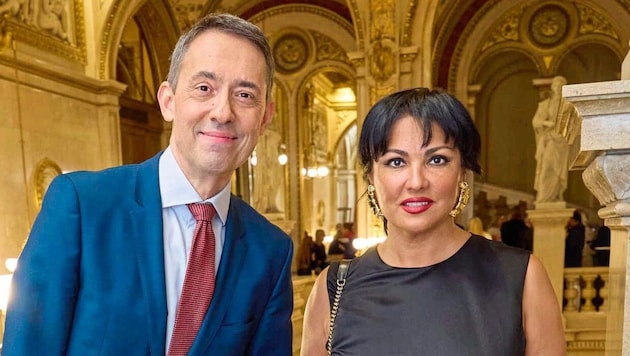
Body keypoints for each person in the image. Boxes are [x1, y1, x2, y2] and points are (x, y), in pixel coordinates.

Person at [3, 13, 294, 355]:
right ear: (168, 101)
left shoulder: (270, 252)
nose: (222, 111)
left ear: (265, 118)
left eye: (245, 95)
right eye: (204, 88)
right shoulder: (82, 206)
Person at [301, 88, 565, 355]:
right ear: (371, 177)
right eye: (395, 162)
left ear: (463, 171)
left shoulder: (521, 277)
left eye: (436, 160)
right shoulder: (334, 288)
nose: (416, 182)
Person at [532, 75, 570, 203]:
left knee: (560, 171)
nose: (559, 88)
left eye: (561, 86)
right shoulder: (545, 104)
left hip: (562, 141)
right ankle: (543, 197)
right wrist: (547, 123)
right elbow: (536, 121)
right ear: (553, 87)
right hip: (549, 139)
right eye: (557, 86)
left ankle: (557, 195)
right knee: (547, 167)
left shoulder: (568, 106)